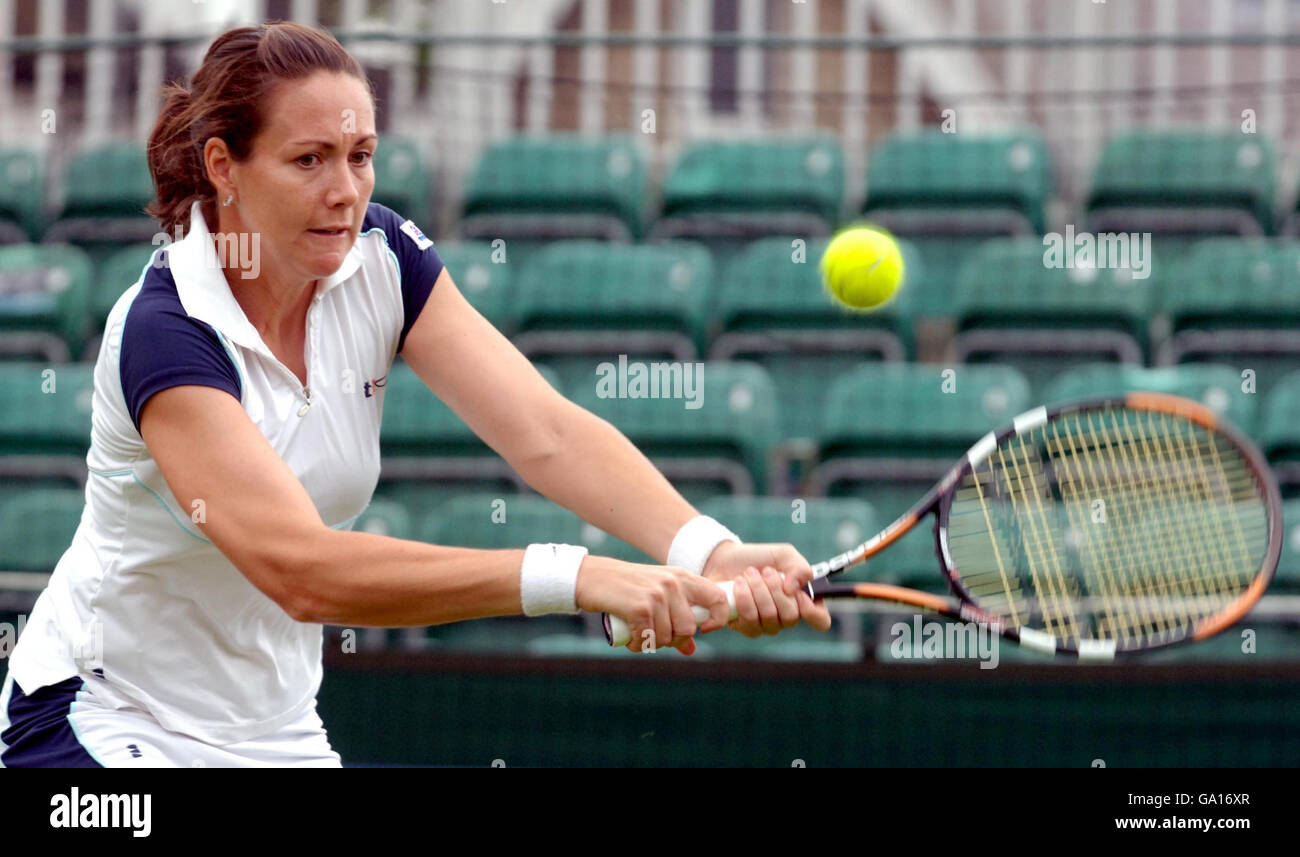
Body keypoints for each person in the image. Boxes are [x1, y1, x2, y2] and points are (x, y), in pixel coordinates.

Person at [0, 21, 830, 768]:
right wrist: (574, 575)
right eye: (308, 160)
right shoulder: (166, 330)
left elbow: (546, 432)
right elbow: (302, 570)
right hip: (97, 719)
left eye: (360, 155)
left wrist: (706, 552)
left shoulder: (385, 257)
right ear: (224, 167)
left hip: (273, 730)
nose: (345, 191)